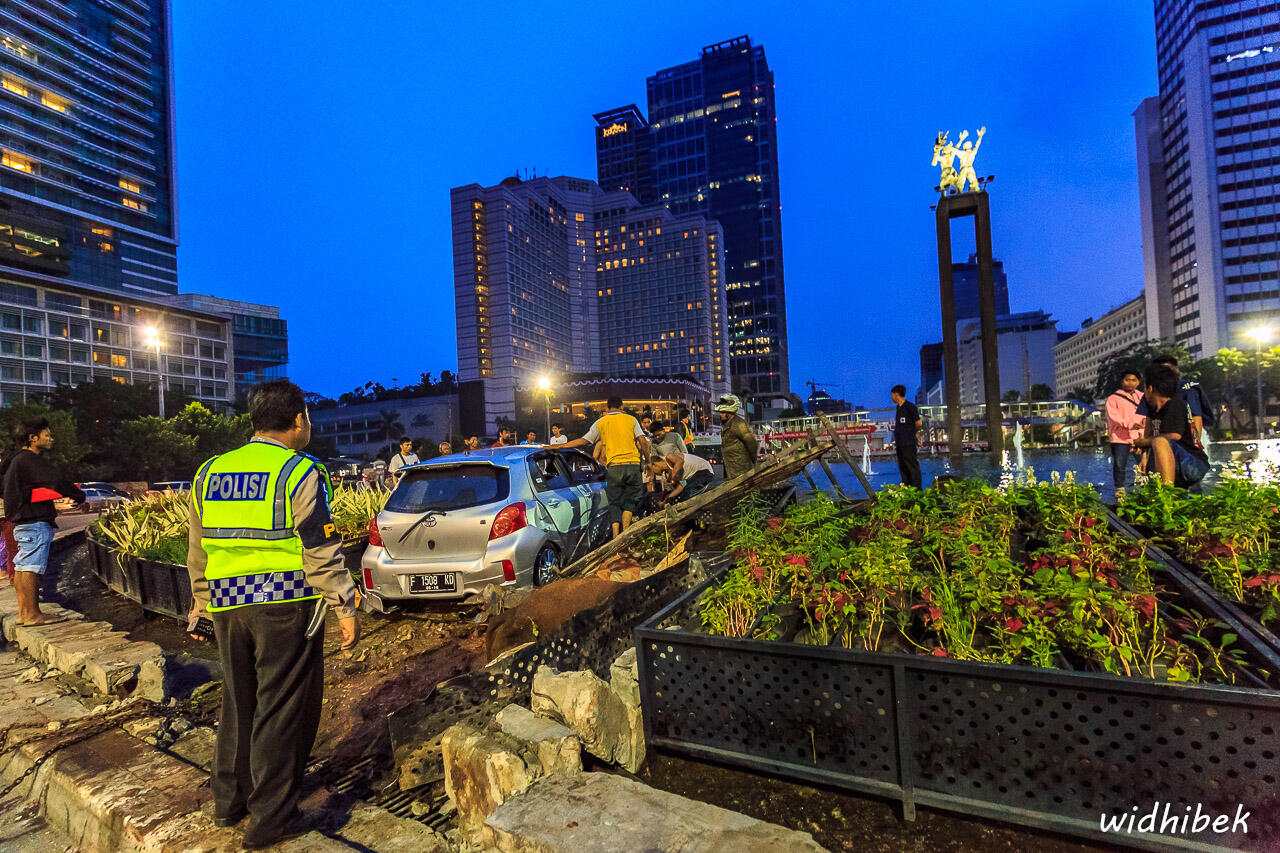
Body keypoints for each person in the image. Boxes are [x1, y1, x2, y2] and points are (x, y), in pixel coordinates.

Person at [184, 380, 359, 849]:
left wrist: (199, 605)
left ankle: (230, 802)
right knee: (283, 710)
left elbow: (197, 549)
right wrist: (343, 603)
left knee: (239, 704)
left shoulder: (210, 471)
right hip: (284, 604)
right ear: (299, 419)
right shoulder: (299, 471)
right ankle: (272, 820)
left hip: (226, 605)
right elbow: (320, 547)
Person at [1, 418, 85, 626]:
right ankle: (32, 615)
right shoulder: (29, 459)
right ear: (32, 438)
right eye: (47, 435)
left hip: (21, 520)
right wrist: (79, 497)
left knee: (21, 566)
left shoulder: (12, 460)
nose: (51, 438)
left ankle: (25, 612)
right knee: (30, 566)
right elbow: (56, 480)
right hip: (34, 520)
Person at [556, 396, 650, 537]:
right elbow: (642, 440)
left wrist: (560, 445)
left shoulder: (601, 422)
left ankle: (615, 537)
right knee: (629, 501)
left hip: (614, 467)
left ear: (607, 408)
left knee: (614, 503)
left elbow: (583, 441)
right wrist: (647, 460)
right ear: (621, 407)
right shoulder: (631, 419)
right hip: (633, 465)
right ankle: (625, 535)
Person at [1133, 364, 1209, 489]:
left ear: (1150, 388)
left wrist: (1142, 442)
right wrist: (1143, 454)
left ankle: (1166, 497)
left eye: (1144, 388)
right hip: (1181, 462)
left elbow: (1173, 435)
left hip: (1193, 463)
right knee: (1154, 451)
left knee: (1159, 441)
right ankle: (1168, 500)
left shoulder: (1175, 405)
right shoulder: (1158, 412)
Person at [1105, 370, 1145, 488]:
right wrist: (1130, 424)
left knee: (1144, 464)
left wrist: (1143, 430)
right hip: (1120, 438)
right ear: (1122, 381)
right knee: (1119, 465)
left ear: (1138, 382)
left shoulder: (1142, 397)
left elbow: (1147, 414)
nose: (1130, 383)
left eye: (1134, 380)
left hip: (1139, 437)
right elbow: (1113, 416)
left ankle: (1147, 488)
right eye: (1127, 380)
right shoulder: (1113, 399)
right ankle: (1120, 490)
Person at [715, 395, 758, 481]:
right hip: (733, 471)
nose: (721, 415)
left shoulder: (739, 424)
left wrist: (753, 460)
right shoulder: (726, 424)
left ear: (730, 412)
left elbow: (752, 443)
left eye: (723, 412)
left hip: (742, 470)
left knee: (749, 493)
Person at [890, 385, 922, 489]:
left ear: (896, 394)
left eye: (891, 394)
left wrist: (911, 432)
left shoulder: (910, 407)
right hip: (900, 443)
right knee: (903, 466)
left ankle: (917, 489)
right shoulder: (898, 408)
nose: (891, 397)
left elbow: (918, 423)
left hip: (908, 442)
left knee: (912, 465)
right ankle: (907, 487)